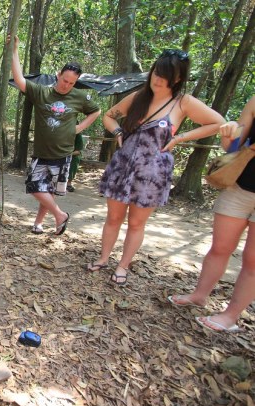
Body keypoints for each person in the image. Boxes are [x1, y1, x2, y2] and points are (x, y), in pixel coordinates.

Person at [89, 49, 225, 286]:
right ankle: (103, 258)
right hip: (123, 167)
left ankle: (123, 266)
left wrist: (180, 137)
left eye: (165, 75)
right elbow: (109, 116)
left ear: (178, 78)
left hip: (152, 173)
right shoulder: (139, 97)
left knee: (136, 222)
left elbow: (218, 123)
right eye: (156, 72)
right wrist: (118, 131)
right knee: (113, 218)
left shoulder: (183, 102)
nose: (157, 78)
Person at [167, 96, 255, 332]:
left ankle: (231, 315)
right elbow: (234, 146)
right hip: (241, 185)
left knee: (252, 259)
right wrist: (229, 136)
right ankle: (199, 295)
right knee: (220, 247)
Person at [10, 35, 101, 235]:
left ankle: (39, 223)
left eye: (71, 83)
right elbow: (19, 80)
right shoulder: (42, 92)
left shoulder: (78, 96)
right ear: (58, 74)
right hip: (42, 152)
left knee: (50, 191)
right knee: (34, 187)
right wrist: (14, 50)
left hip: (63, 153)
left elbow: (96, 111)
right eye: (64, 80)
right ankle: (60, 215)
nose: (66, 85)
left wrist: (78, 128)